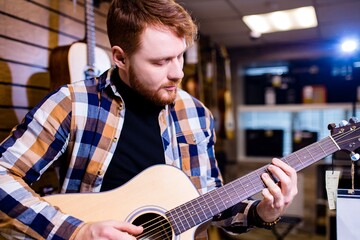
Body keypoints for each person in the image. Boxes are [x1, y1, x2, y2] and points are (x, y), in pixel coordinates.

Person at [0, 0, 298, 239]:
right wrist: (77, 230)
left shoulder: (196, 114)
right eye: (160, 61)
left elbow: (209, 205)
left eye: (180, 56)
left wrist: (263, 211)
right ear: (120, 58)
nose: (178, 72)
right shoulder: (73, 104)